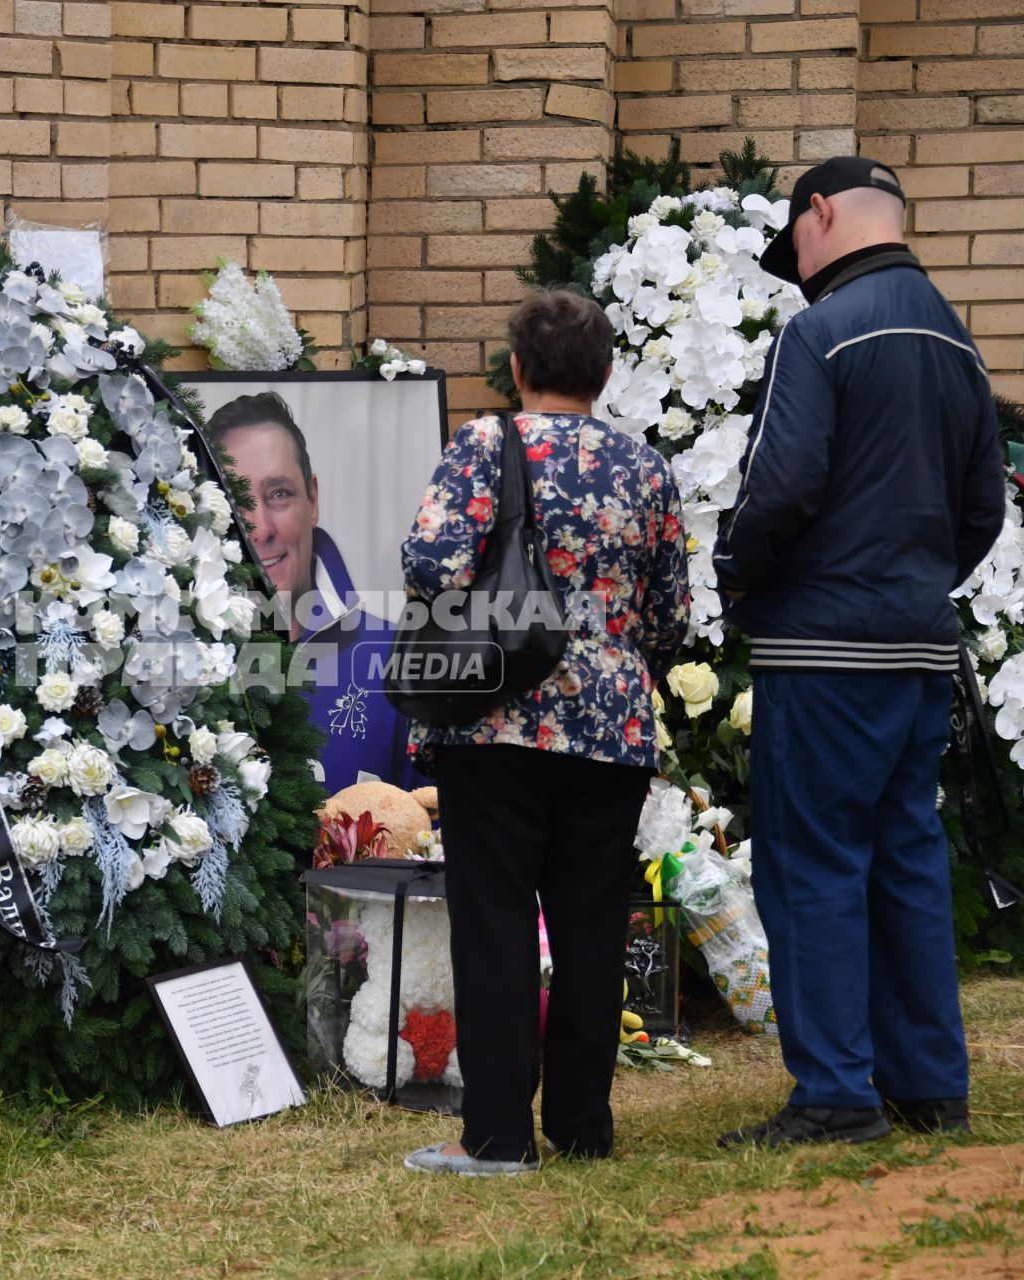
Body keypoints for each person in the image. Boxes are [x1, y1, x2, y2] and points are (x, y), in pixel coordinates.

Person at [714, 157, 1007, 1148]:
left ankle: (835, 1092)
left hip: (822, 648)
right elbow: (984, 509)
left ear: (822, 212)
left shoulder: (822, 330)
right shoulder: (957, 341)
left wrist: (740, 572)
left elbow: (780, 484)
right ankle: (930, 1083)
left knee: (812, 862)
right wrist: (914, 584)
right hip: (921, 647)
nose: (796, 266)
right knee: (906, 857)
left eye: (796, 241)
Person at [398, 289, 690, 1175]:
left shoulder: (489, 445)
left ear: (517, 368)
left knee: (495, 925)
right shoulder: (646, 468)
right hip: (613, 729)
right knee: (594, 925)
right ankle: (582, 1127)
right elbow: (671, 617)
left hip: (498, 718)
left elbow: (429, 566)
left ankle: (493, 1136)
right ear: (604, 374)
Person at [209, 392, 419, 795]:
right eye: (236, 500)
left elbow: (430, 841)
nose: (260, 529)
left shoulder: (397, 657)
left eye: (279, 494)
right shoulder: (178, 667)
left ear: (313, 499)